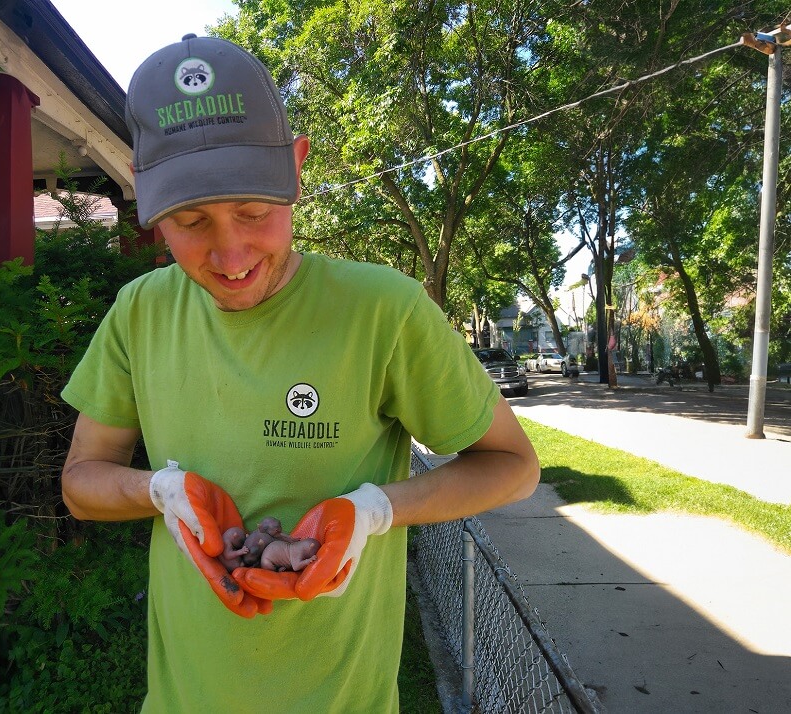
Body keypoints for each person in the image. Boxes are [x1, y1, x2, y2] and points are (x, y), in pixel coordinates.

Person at [60, 33, 539, 713]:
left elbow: (513, 466)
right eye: (190, 220)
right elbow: (81, 484)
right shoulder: (139, 312)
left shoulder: (384, 310)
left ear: (297, 169)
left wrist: (374, 512)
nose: (230, 252)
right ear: (148, 198)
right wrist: (160, 492)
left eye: (254, 211)